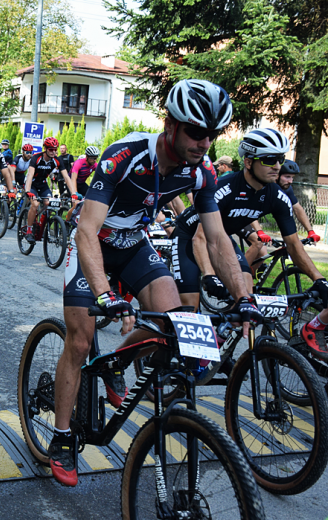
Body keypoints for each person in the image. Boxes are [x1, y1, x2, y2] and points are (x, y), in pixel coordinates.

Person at [50, 79, 260, 487]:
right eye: (197, 132)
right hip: (94, 242)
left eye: (212, 135)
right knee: (78, 342)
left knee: (173, 320)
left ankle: (115, 366)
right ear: (170, 126)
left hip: (133, 245)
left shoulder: (201, 175)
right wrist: (105, 294)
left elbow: (217, 239)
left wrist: (243, 295)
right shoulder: (124, 156)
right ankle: (61, 435)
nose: (204, 143)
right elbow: (87, 230)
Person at [171, 128, 328, 315]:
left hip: (221, 237)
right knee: (189, 311)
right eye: (269, 160)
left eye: (280, 159)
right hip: (188, 237)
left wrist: (319, 279)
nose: (277, 166)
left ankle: (228, 336)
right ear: (248, 162)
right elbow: (200, 238)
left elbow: (293, 244)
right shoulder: (224, 188)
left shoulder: (277, 197)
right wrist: (210, 274)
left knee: (246, 299)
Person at [23, 136, 72, 244]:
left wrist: (73, 193)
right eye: (51, 149)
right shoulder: (36, 157)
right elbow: (30, 174)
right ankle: (29, 230)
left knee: (49, 203)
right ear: (45, 148)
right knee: (35, 204)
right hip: (32, 183)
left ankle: (44, 228)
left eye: (55, 149)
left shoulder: (57, 160)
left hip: (43, 184)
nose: (53, 152)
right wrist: (28, 191)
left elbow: (66, 177)